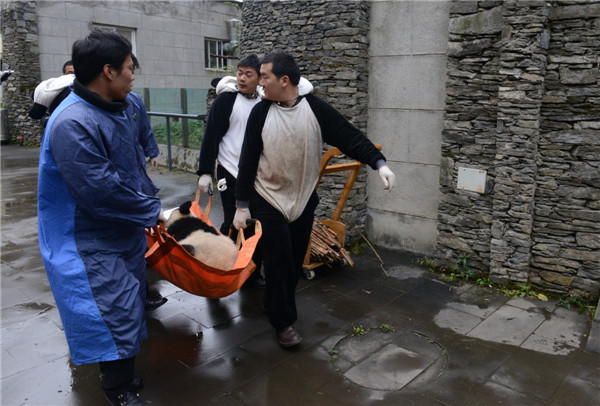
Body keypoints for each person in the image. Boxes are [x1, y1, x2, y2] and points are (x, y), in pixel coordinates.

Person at [233, 52, 396, 347]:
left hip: (302, 198)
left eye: (265, 77)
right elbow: (247, 161)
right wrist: (241, 205)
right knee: (279, 258)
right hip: (267, 196)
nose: (260, 84)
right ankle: (284, 323)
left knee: (294, 262)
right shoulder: (261, 113)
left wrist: (379, 163)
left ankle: (276, 304)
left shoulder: (315, 109)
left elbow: (350, 137)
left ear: (284, 80)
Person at [37, 30, 162, 406]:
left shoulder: (126, 104)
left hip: (122, 224)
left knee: (130, 300)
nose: (133, 75)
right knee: (112, 308)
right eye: (128, 68)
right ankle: (117, 389)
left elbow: (135, 151)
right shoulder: (72, 123)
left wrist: (146, 195)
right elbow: (99, 190)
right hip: (85, 234)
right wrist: (155, 212)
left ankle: (120, 371)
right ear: (108, 71)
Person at [197, 54, 312, 288]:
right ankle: (217, 265)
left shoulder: (265, 102)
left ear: (260, 78)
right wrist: (205, 172)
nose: (241, 78)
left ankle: (248, 272)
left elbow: (305, 87)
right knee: (232, 222)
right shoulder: (226, 101)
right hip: (229, 171)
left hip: (254, 175)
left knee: (255, 225)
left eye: (248, 74)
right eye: (239, 73)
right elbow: (211, 138)